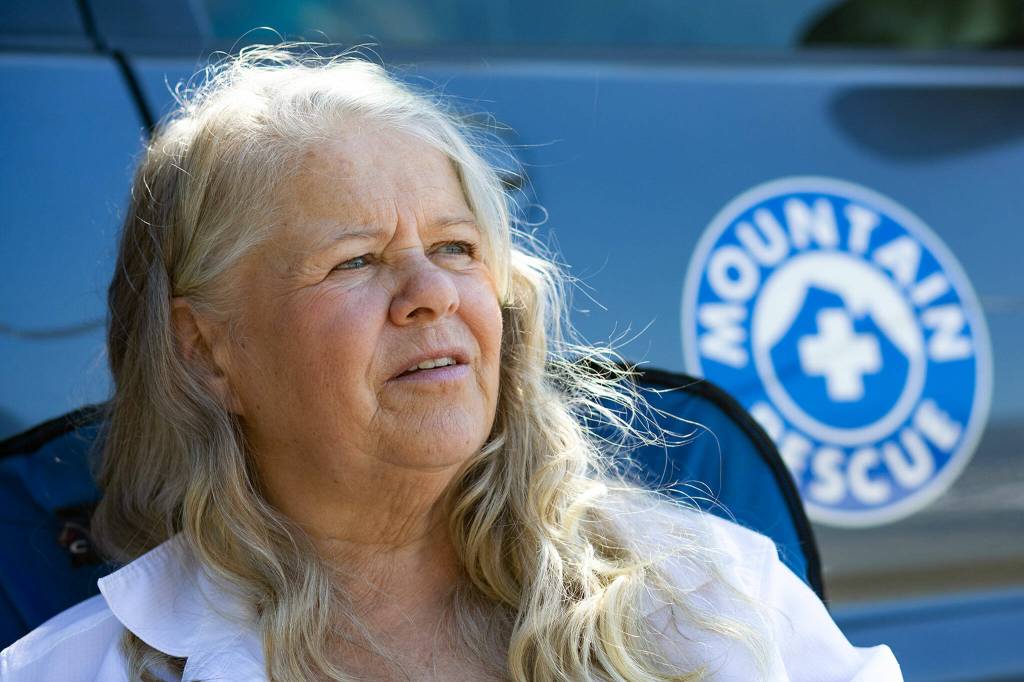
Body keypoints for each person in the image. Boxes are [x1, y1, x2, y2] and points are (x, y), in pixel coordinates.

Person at [0, 46, 901, 681]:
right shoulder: (78, 670)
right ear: (207, 353)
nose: (431, 293)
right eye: (355, 260)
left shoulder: (710, 592)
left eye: (459, 249)